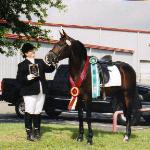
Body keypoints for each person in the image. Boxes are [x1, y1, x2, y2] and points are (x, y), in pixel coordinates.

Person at [16, 43, 55, 141]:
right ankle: (29, 133)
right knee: (29, 111)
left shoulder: (40, 62)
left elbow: (49, 69)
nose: (33, 52)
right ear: (25, 53)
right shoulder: (22, 65)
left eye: (33, 50)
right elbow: (19, 80)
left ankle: (37, 131)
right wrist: (27, 77)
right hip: (29, 92)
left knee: (38, 112)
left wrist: (53, 63)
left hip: (42, 91)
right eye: (30, 51)